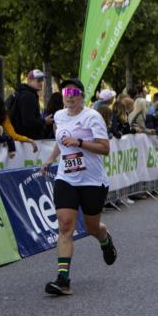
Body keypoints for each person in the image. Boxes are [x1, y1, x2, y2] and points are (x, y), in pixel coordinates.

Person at [40, 77, 118, 296]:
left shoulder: (92, 117)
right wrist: (50, 159)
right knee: (65, 226)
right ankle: (63, 279)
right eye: (66, 93)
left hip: (92, 181)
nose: (69, 97)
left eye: (74, 93)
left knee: (92, 227)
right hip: (66, 178)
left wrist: (80, 143)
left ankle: (104, 238)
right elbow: (60, 141)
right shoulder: (59, 116)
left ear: (83, 96)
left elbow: (105, 148)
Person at [9, 69, 47, 140]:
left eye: (42, 80)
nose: (41, 83)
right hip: (28, 141)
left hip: (21, 139)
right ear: (29, 81)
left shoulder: (22, 93)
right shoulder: (28, 96)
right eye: (38, 80)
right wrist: (44, 121)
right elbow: (28, 122)